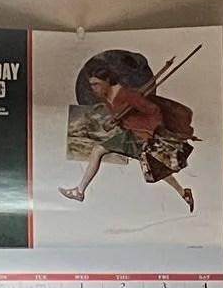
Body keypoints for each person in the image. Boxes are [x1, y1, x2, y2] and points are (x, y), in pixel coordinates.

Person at [59, 46, 198, 213]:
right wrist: (116, 123)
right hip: (131, 134)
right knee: (99, 151)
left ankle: (184, 192)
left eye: (96, 84)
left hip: (142, 137)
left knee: (157, 168)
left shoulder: (127, 95)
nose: (93, 88)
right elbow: (123, 117)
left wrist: (154, 133)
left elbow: (153, 110)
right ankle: (79, 191)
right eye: (91, 85)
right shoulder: (107, 97)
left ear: (107, 82)